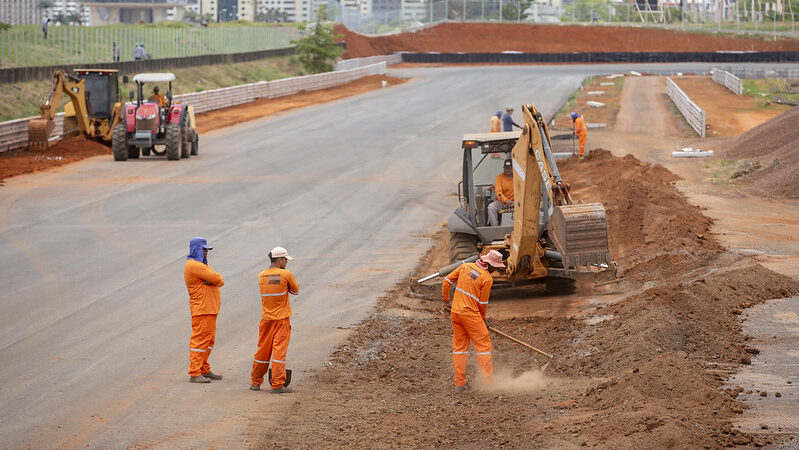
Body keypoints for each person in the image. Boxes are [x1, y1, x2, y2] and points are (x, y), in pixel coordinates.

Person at [441, 250, 505, 390]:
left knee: (459, 348)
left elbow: (446, 281)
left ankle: (460, 383)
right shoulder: (487, 279)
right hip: (470, 315)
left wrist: (446, 301)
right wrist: (483, 320)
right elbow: (482, 304)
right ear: (490, 264)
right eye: (496, 267)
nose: (496, 270)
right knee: (484, 347)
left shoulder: (465, 267)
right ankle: (488, 384)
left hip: (456, 312)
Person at [250, 247, 299, 394]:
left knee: (262, 351)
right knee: (279, 352)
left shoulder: (261, 275)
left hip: (266, 320)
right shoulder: (286, 274)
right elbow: (295, 290)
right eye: (285, 259)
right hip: (281, 320)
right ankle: (277, 384)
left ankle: (255, 382)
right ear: (279, 260)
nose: (286, 262)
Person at [184, 237, 225, 383]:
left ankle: (204, 369)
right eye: (204, 249)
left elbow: (216, 280)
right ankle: (195, 372)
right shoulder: (195, 265)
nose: (207, 252)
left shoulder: (202, 265)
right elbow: (218, 278)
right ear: (197, 250)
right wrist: (214, 281)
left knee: (209, 341)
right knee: (200, 340)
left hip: (209, 309)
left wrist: (214, 281)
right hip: (202, 309)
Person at [487, 159, 514, 227]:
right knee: (491, 207)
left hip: (515, 202)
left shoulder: (517, 177)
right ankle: (495, 227)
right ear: (504, 168)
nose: (508, 170)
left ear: (513, 168)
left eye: (510, 168)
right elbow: (498, 191)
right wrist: (505, 200)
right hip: (502, 202)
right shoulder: (499, 178)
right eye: (506, 168)